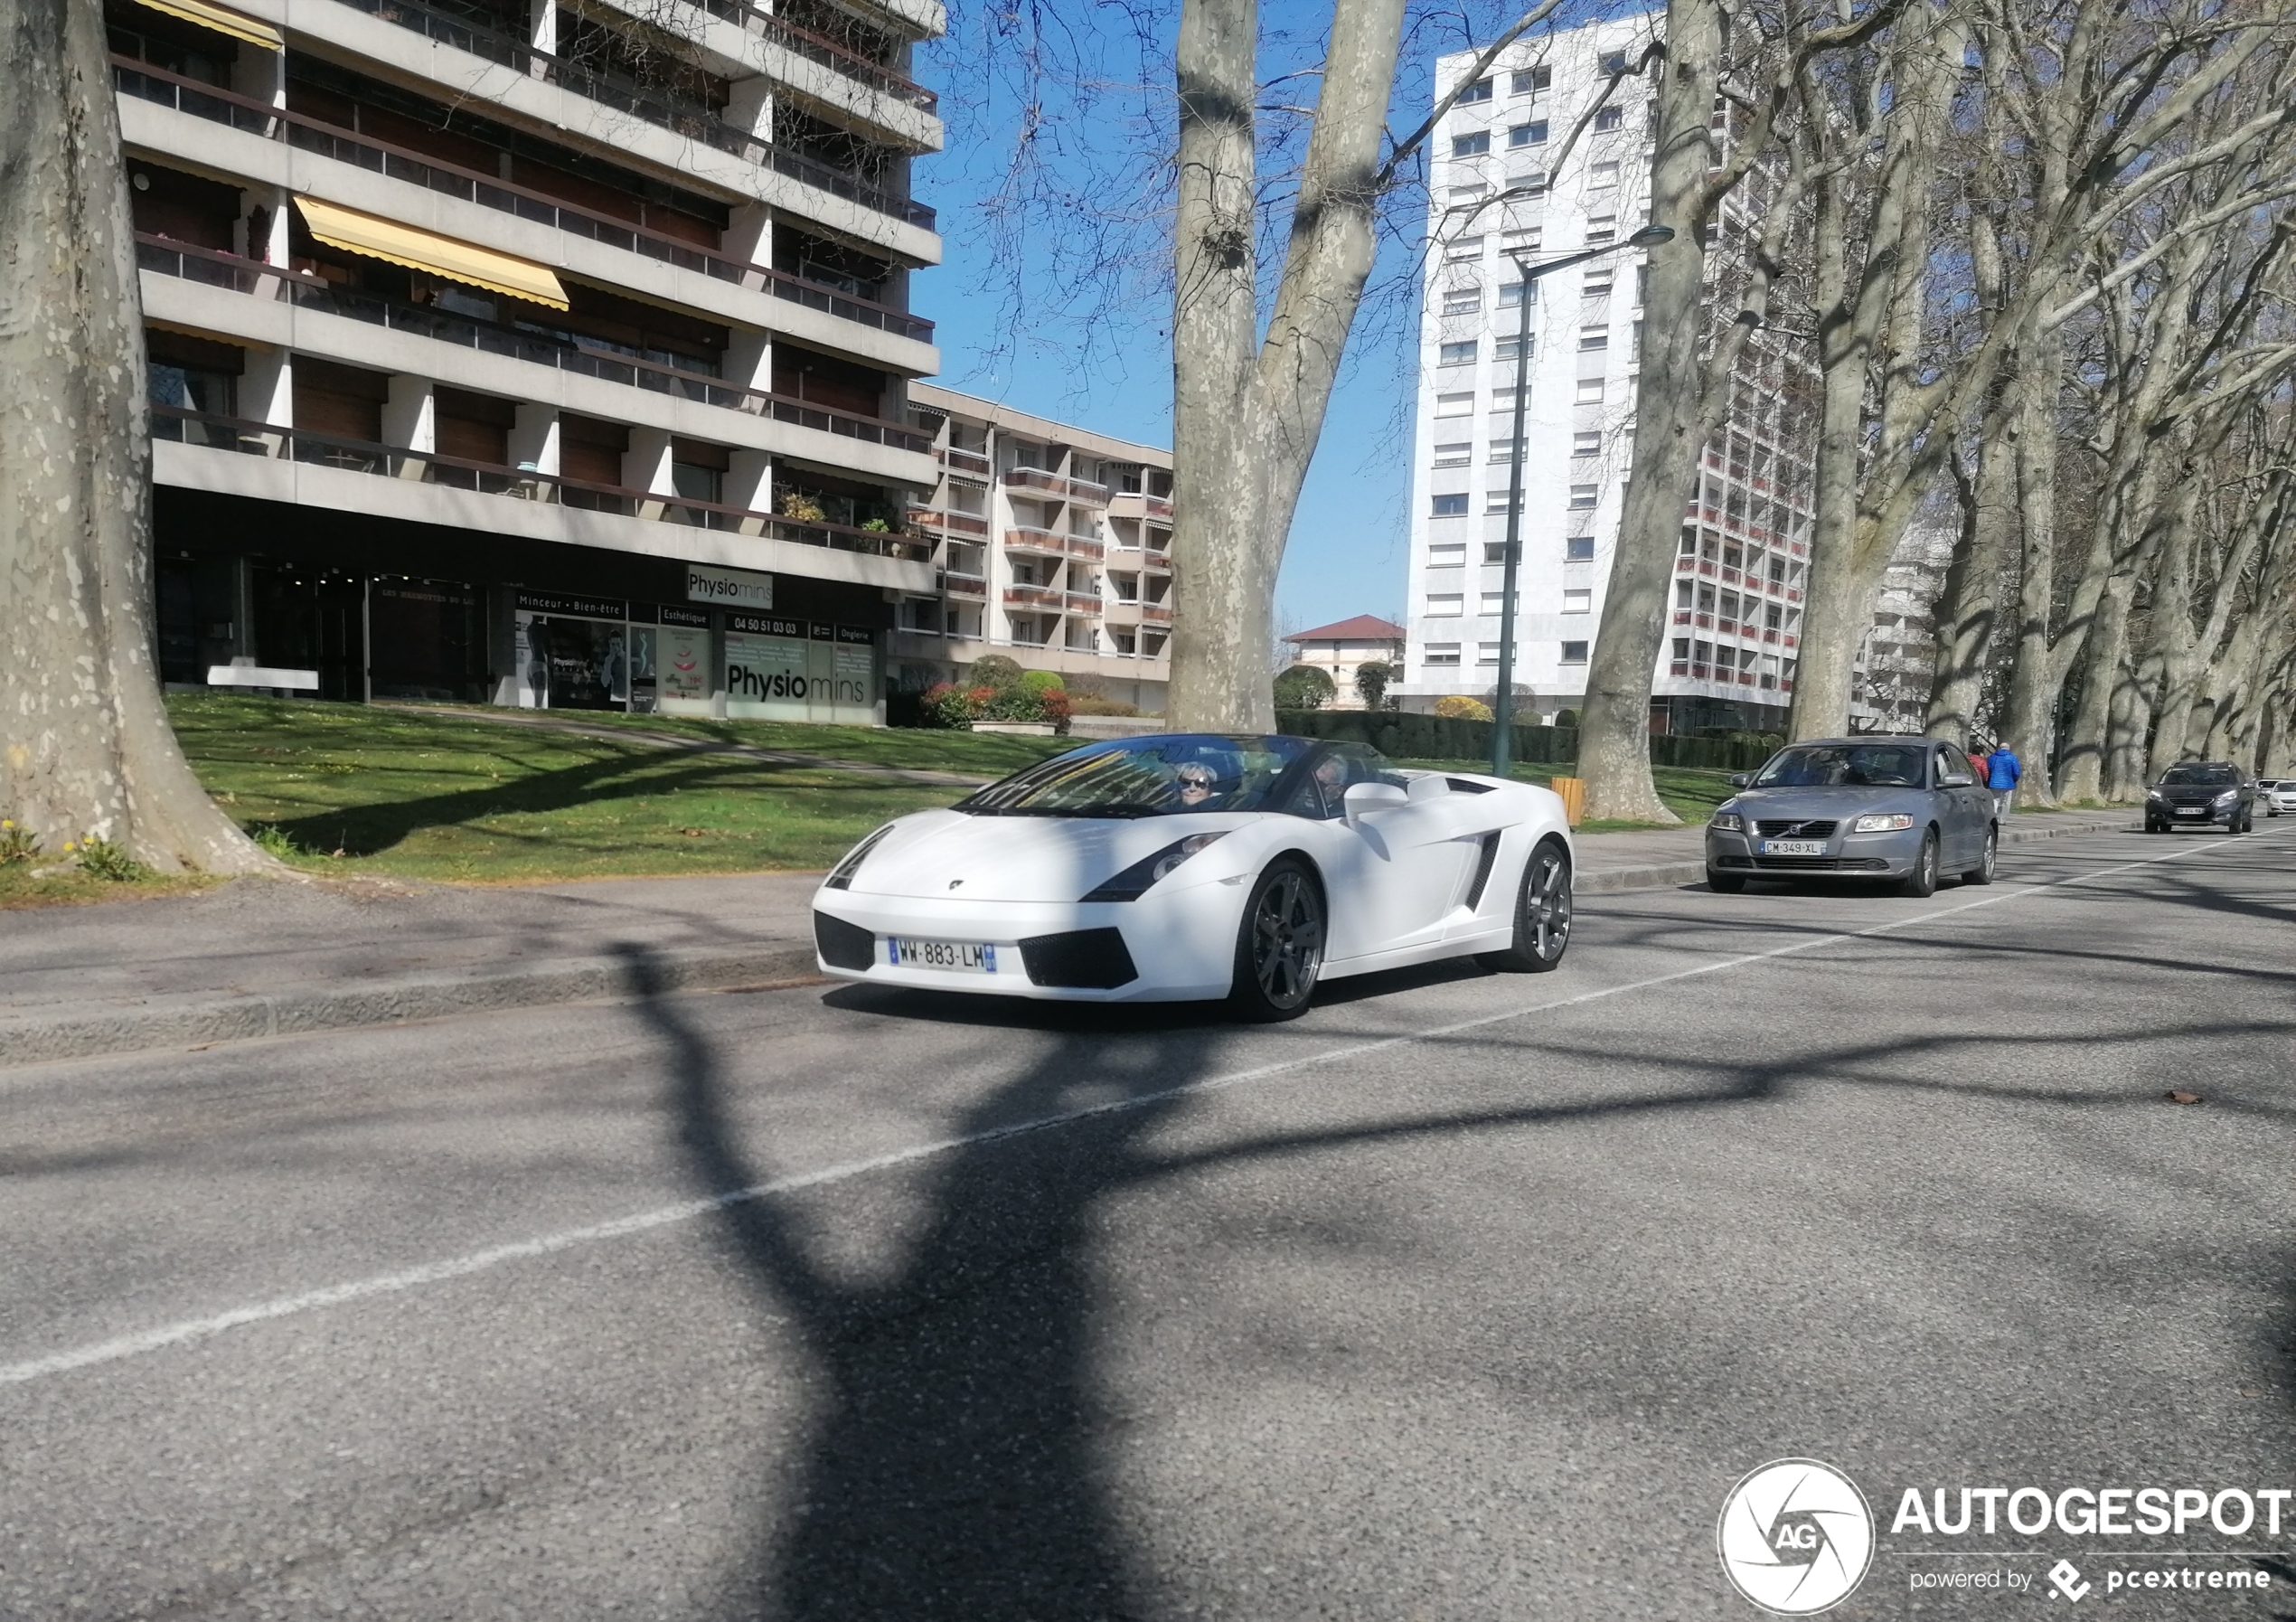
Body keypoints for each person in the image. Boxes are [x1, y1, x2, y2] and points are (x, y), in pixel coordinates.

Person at [1985, 741, 2021, 816]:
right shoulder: (2012, 758)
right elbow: (2016, 772)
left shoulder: (1992, 757)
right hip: (2008, 783)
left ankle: (1993, 816)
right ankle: (2002, 819)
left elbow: (1988, 769)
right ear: (2008, 749)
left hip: (1994, 782)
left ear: (1999, 748)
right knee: (2005, 802)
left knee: (1995, 800)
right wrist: (2014, 779)